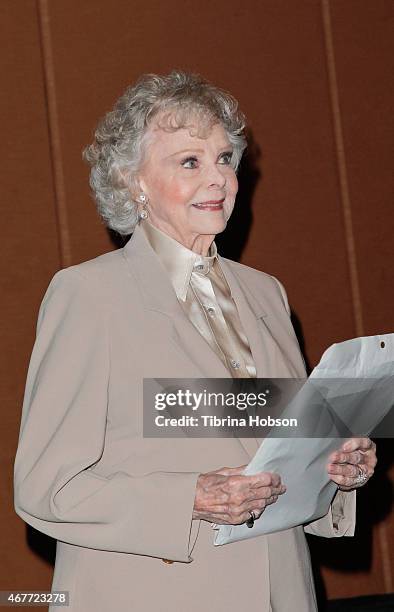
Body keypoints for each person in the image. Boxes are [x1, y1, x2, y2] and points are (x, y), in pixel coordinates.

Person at [14, 70, 377, 612]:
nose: (220, 179)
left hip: (282, 591)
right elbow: (46, 487)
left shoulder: (266, 295)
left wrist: (332, 471)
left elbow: (275, 454)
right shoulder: (88, 295)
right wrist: (190, 498)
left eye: (226, 159)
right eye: (190, 162)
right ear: (131, 180)